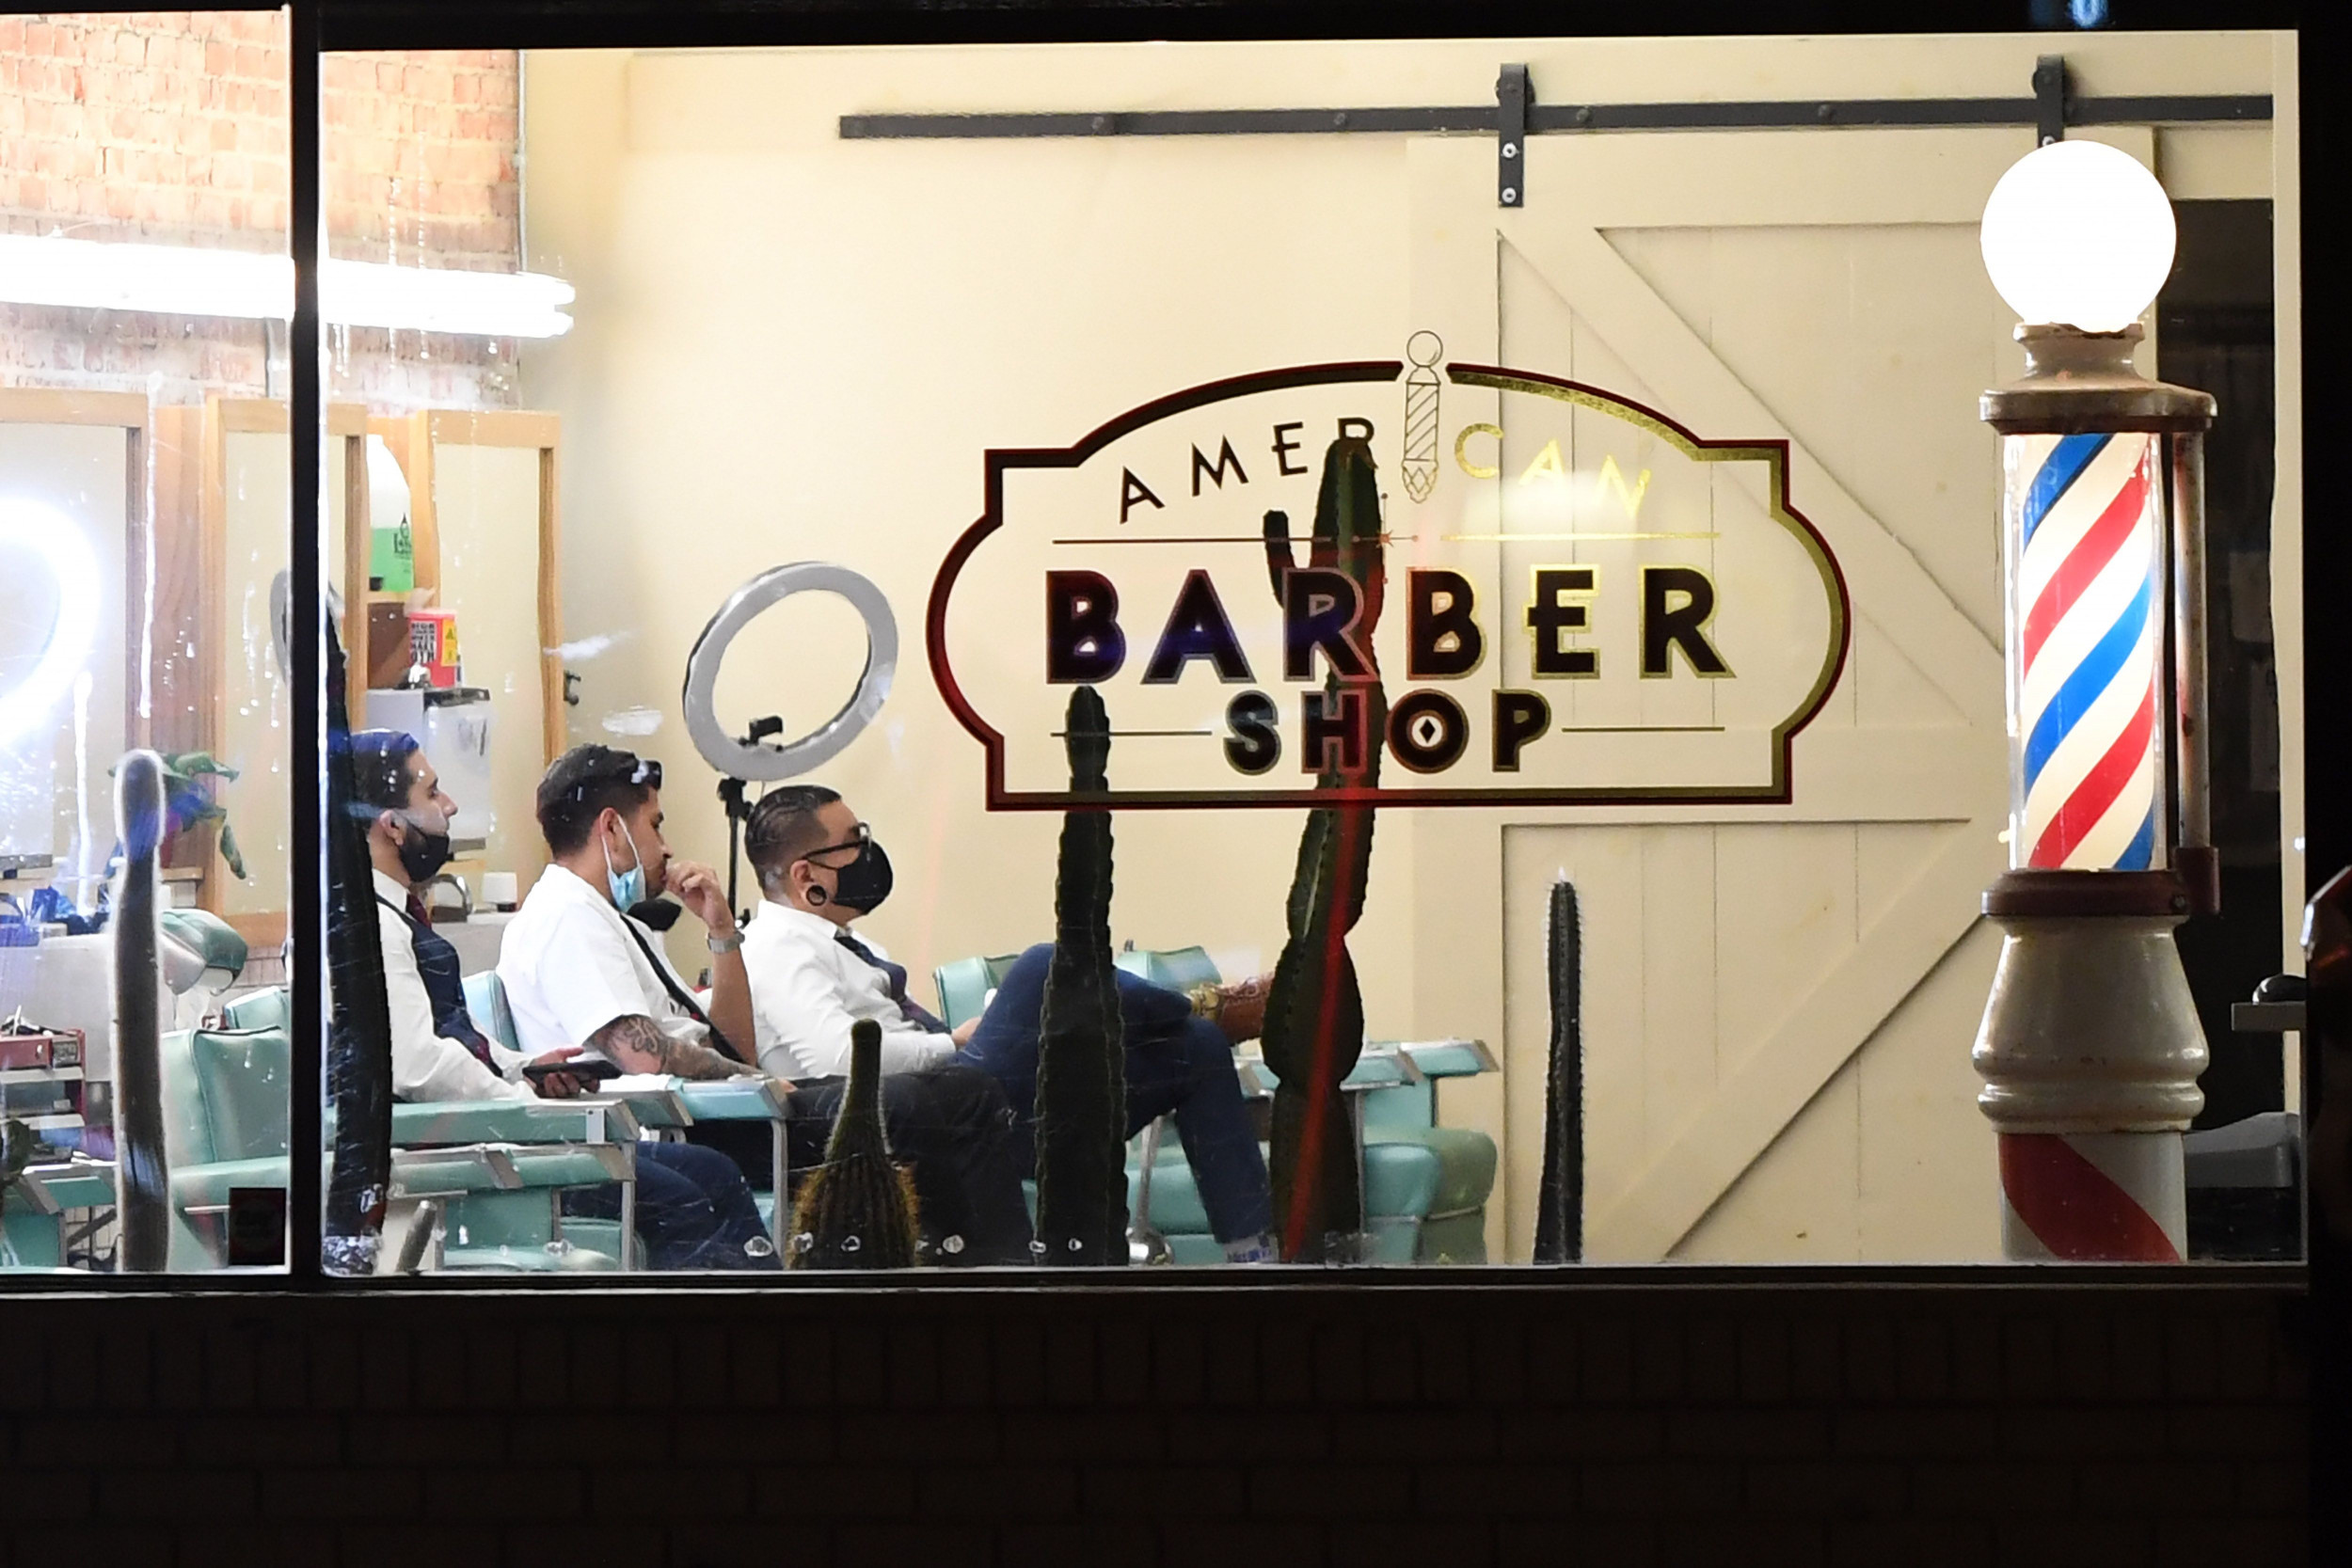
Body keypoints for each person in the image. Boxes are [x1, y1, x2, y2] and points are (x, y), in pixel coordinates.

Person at [497, 745, 1033, 1265]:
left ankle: (989, 1266)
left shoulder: (616, 919)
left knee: (958, 1090)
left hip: (724, 1107)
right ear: (612, 829)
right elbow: (647, 1054)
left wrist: (722, 931)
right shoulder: (567, 918)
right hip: (691, 1123)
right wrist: (759, 1082)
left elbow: (736, 1042)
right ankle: (980, 1274)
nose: (665, 846)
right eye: (655, 825)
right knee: (915, 1105)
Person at [739, 784, 1279, 1262]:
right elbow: (840, 1059)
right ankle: (1207, 1002)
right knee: (1044, 964)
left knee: (1193, 1047)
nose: (866, 855)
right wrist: (950, 1042)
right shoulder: (776, 946)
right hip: (927, 1123)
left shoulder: (850, 946)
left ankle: (1252, 1253)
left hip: (970, 1109)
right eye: (852, 843)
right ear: (805, 875)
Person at [347, 728, 776, 1272]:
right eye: (432, 793)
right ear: (391, 825)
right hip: (451, 1158)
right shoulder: (364, 929)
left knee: (710, 1172)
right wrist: (524, 1106)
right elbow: (416, 1063)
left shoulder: (392, 919)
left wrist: (524, 1069)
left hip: (485, 1130)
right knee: (683, 1197)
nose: (450, 805)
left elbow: (451, 1040)